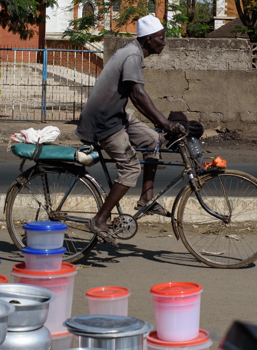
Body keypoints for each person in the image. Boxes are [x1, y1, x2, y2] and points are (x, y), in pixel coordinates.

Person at [76, 14, 185, 245]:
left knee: (153, 140)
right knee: (131, 168)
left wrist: (159, 125)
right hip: (103, 121)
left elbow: (136, 99)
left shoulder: (133, 53)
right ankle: (100, 219)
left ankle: (146, 199)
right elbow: (138, 94)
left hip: (117, 116)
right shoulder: (133, 55)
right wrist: (165, 122)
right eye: (161, 38)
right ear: (148, 40)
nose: (164, 42)